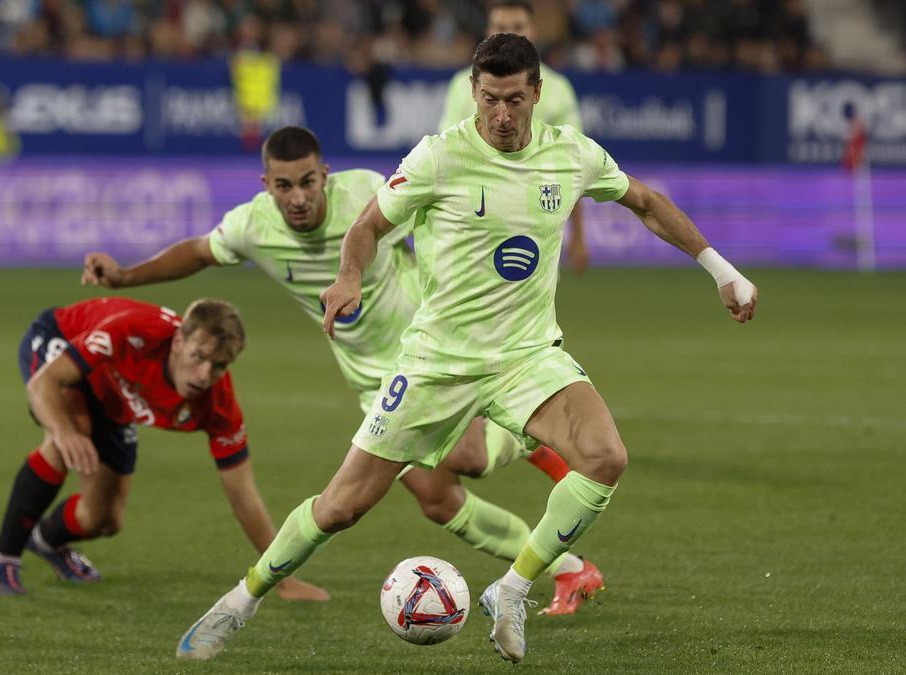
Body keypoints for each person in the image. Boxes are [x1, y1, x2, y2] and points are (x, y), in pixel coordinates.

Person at [174, 33, 757, 664]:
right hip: (436, 364)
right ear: (473, 95)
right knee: (342, 507)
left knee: (605, 456)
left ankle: (511, 588)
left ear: (536, 93)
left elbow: (644, 201)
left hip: (527, 355)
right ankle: (241, 601)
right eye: (488, 99)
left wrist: (720, 269)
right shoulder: (438, 158)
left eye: (513, 99)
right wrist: (347, 275)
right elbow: (369, 224)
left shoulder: (571, 155)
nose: (501, 114)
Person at [80, 126, 602, 616]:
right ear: (267, 186)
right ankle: (571, 570)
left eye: (307, 182)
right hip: (373, 384)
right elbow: (197, 252)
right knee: (439, 501)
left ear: (324, 175)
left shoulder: (365, 195)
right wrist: (125, 275)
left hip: (435, 359)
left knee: (467, 457)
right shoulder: (253, 225)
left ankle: (533, 434)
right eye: (284, 186)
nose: (298, 197)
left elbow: (437, 231)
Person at [0, 296, 328, 602]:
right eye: (199, 356)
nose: (205, 374)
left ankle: (48, 541)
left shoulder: (219, 406)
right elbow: (45, 383)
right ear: (178, 342)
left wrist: (279, 578)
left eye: (219, 365)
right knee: (70, 436)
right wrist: (64, 430)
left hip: (113, 392)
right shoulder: (132, 331)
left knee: (105, 518)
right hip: (62, 345)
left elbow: (243, 497)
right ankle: (1, 560)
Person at [439, 0, 590, 276]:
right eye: (501, 27)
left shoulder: (558, 90)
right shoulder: (463, 86)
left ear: (533, 30)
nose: (509, 34)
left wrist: (578, 235)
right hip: (473, 224)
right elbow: (445, 158)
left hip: (533, 222)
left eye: (518, 27)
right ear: (488, 30)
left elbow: (573, 163)